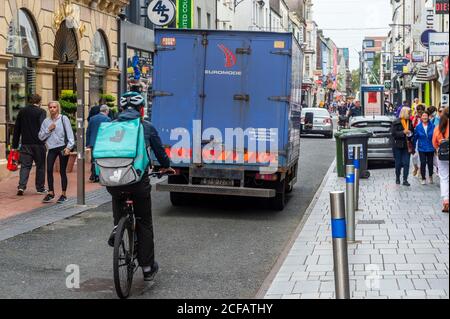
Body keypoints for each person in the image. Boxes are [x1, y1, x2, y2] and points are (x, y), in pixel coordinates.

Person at [106, 91, 175, 282]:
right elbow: (160, 154)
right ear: (141, 109)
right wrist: (166, 166)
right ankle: (146, 268)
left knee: (118, 206)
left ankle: (116, 228)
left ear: (121, 109)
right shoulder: (146, 127)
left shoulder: (110, 126)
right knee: (144, 222)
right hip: (137, 182)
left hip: (114, 181)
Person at [38, 101, 75, 203]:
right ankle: (51, 193)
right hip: (52, 148)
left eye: (54, 107)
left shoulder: (63, 119)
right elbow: (40, 137)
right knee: (49, 170)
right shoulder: (46, 121)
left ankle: (63, 194)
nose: (52, 109)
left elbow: (70, 134)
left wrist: (69, 147)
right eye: (50, 107)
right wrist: (48, 129)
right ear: (48, 109)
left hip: (63, 147)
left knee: (62, 171)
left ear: (58, 108)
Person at [11, 94, 47, 196]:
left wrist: (14, 146)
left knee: (25, 166)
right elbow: (43, 128)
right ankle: (40, 188)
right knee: (40, 166)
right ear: (39, 102)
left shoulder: (22, 111)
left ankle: (21, 187)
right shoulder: (41, 112)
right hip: (39, 144)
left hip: (25, 144)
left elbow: (17, 129)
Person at [86, 105, 111, 182]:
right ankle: (100, 176)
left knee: (94, 160)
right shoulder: (107, 119)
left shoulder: (92, 118)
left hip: (93, 142)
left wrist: (88, 143)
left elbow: (88, 131)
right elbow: (109, 133)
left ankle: (93, 176)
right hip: (102, 143)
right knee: (102, 160)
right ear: (106, 111)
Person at [391, 107, 415, 186]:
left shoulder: (410, 121)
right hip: (398, 145)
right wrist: (403, 132)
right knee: (398, 163)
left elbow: (412, 132)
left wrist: (410, 133)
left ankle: (405, 180)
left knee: (406, 163)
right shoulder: (396, 122)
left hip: (407, 145)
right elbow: (393, 134)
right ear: (405, 113)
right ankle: (397, 178)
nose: (410, 114)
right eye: (409, 113)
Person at [432, 107, 449, 213]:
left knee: (444, 178)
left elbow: (434, 143)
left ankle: (446, 200)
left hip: (442, 155)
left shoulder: (438, 127)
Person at [413, 111, 436, 185]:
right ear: (421, 117)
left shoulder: (432, 126)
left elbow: (435, 136)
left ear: (428, 117)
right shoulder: (418, 127)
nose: (425, 117)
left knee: (430, 163)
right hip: (422, 147)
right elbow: (415, 137)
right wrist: (413, 147)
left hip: (430, 147)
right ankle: (423, 178)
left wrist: (436, 146)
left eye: (426, 116)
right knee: (422, 163)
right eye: (423, 116)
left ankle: (430, 176)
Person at [411, 104, 426, 177]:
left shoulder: (425, 118)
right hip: (415, 139)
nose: (419, 111)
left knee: (421, 156)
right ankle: (416, 167)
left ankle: (420, 170)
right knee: (414, 156)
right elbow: (412, 126)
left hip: (423, 140)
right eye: (418, 110)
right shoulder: (415, 118)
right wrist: (415, 118)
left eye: (421, 110)